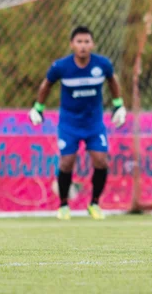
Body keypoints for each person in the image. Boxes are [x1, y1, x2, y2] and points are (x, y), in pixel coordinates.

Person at [28, 26, 127, 220]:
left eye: (86, 42)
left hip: (94, 123)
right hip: (69, 124)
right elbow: (46, 84)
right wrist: (38, 107)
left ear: (92, 44)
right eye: (79, 42)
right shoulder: (61, 67)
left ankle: (95, 204)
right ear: (72, 45)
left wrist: (118, 105)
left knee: (101, 160)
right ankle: (63, 205)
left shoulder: (102, 65)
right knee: (66, 162)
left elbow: (112, 81)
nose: (83, 46)